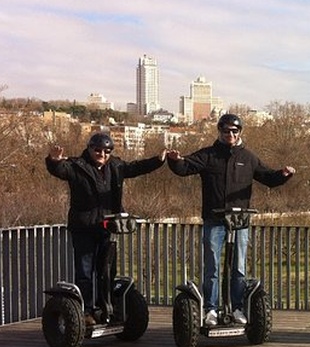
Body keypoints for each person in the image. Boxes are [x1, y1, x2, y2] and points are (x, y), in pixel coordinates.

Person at [167, 114, 295, 327]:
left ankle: (236, 308)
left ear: (240, 133)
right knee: (213, 267)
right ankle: (211, 309)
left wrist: (283, 174)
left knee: (238, 267)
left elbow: (268, 177)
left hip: (239, 222)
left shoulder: (249, 157)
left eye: (235, 131)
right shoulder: (208, 155)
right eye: (226, 131)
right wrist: (174, 161)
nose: (231, 135)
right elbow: (185, 167)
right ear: (220, 131)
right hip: (214, 219)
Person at [46, 132, 168, 326]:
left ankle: (105, 307)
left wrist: (158, 160)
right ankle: (86, 311)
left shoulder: (115, 166)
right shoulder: (77, 165)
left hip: (107, 226)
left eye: (107, 151)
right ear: (89, 148)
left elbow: (136, 168)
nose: (102, 154)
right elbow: (61, 170)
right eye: (98, 150)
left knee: (106, 270)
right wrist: (53, 160)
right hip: (84, 226)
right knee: (85, 271)